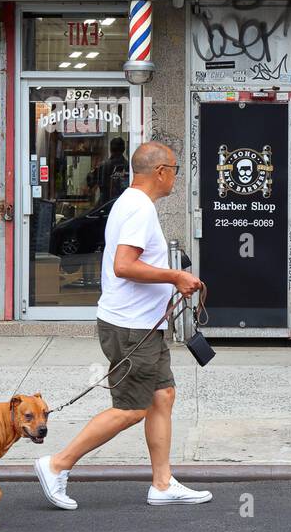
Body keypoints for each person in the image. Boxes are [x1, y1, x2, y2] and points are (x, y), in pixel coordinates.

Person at [34, 141, 210, 509]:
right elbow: (124, 265)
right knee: (131, 407)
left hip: (141, 325)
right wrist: (175, 276)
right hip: (131, 327)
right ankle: (56, 464)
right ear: (160, 171)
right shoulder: (138, 209)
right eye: (175, 168)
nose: (177, 176)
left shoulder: (131, 203)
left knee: (163, 396)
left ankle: (162, 484)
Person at [87, 137, 130, 205]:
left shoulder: (103, 166)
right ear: (124, 149)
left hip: (105, 205)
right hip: (124, 204)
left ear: (110, 149)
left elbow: (90, 180)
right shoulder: (129, 167)